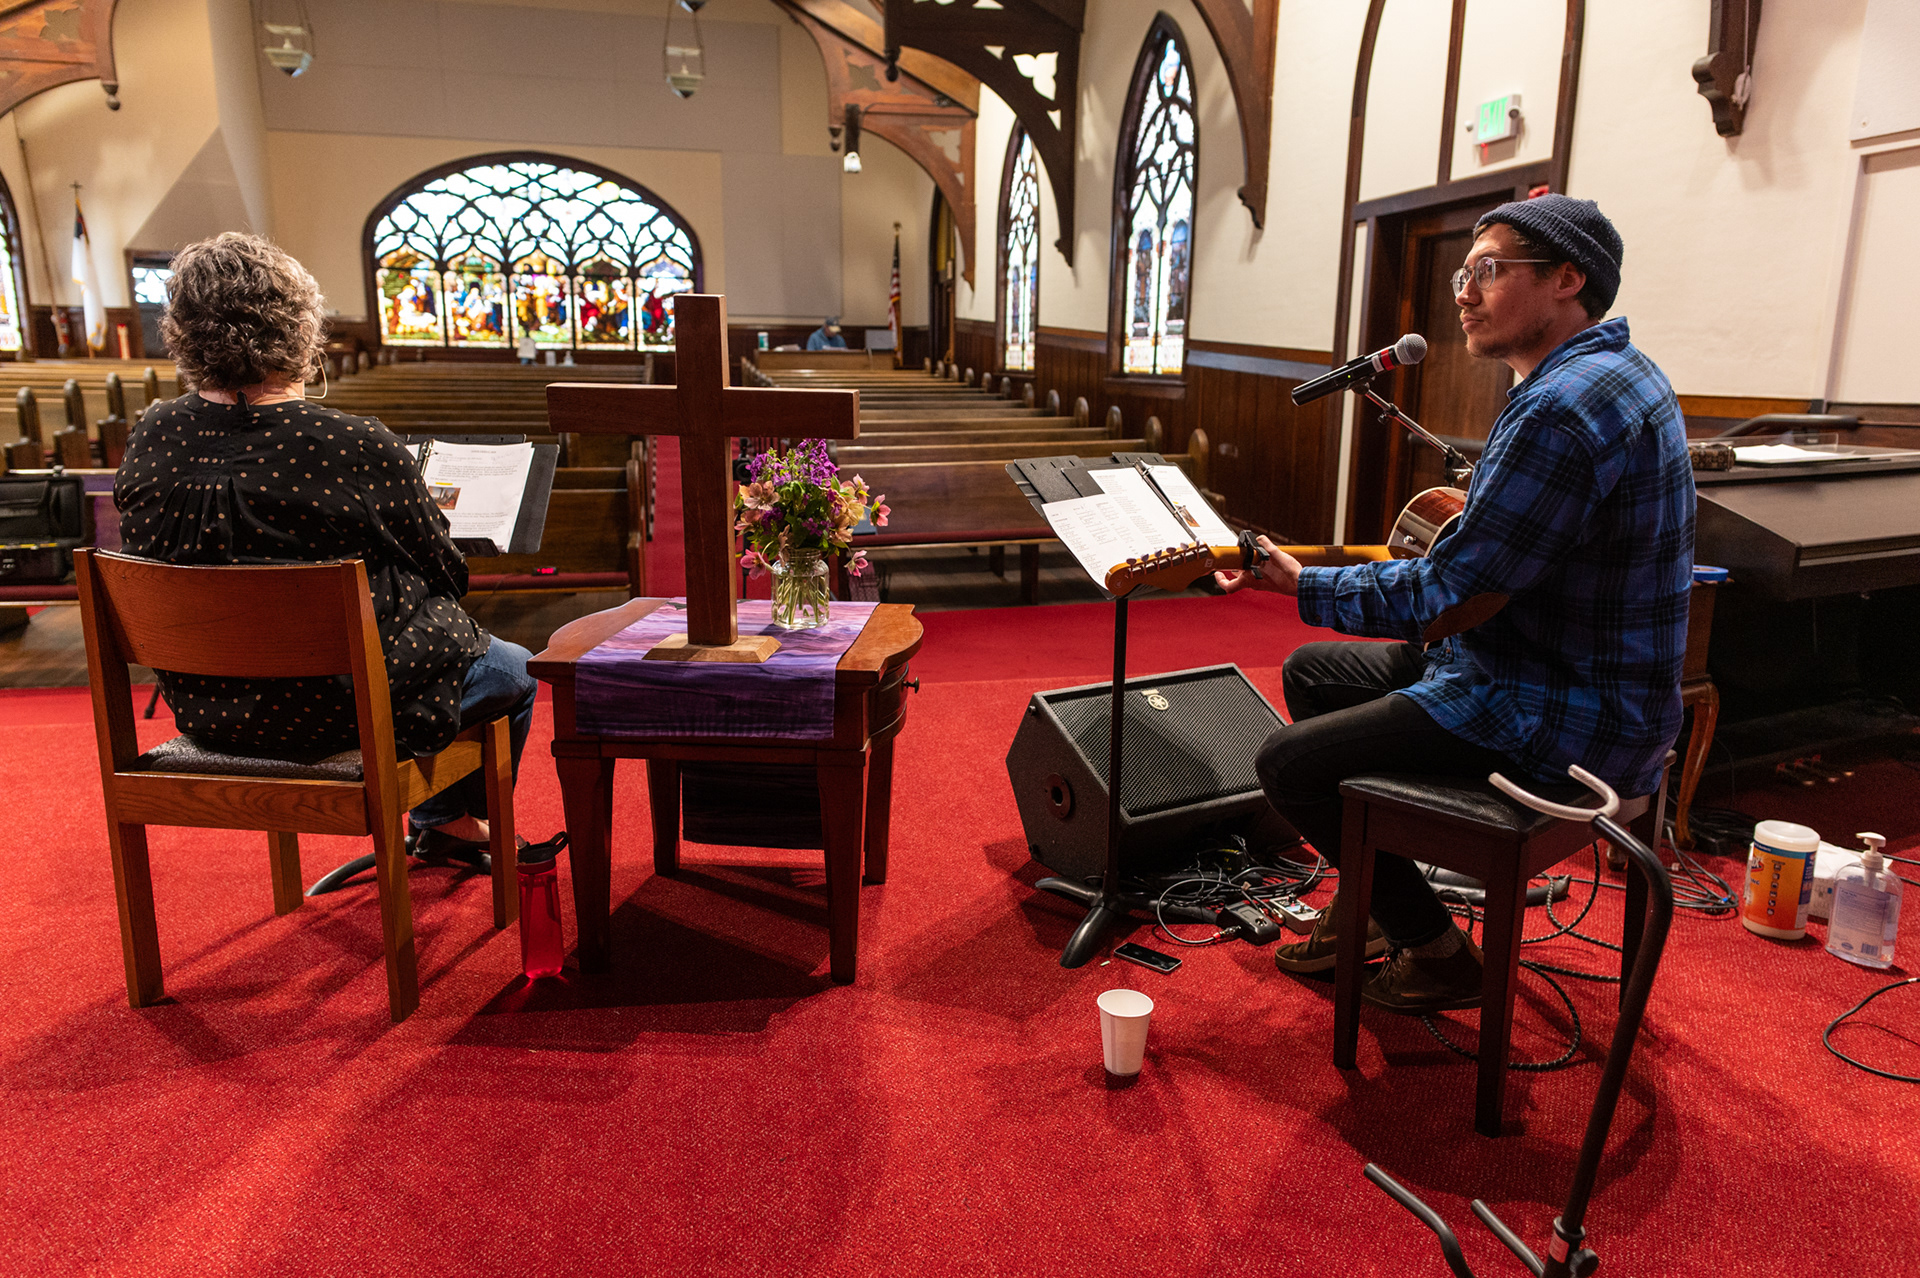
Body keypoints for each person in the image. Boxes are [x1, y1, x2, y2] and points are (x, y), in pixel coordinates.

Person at [1216, 195, 1694, 1013]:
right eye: (1460, 275)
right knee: (1315, 674)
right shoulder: (1620, 370)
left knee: (1288, 765)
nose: (1462, 293)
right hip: (1570, 672)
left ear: (1566, 279)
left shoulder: (1558, 406)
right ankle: (1373, 897)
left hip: (1558, 709)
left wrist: (1301, 583)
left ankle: (1436, 952)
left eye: (1487, 270)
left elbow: (1450, 594)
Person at [114, 232, 536, 863]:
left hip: (210, 708)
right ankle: (446, 820)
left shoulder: (153, 432)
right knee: (517, 669)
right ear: (300, 327)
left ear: (182, 331)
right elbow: (445, 572)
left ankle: (441, 820)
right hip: (343, 712)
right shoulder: (352, 443)